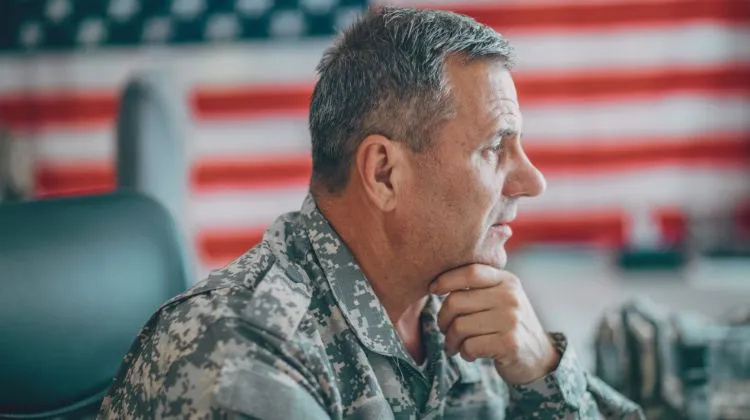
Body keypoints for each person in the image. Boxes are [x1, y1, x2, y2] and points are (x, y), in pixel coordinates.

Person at [99, 6, 645, 419]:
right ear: (385, 174)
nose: (533, 180)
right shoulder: (242, 351)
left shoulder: (457, 309)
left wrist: (543, 371)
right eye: (494, 148)